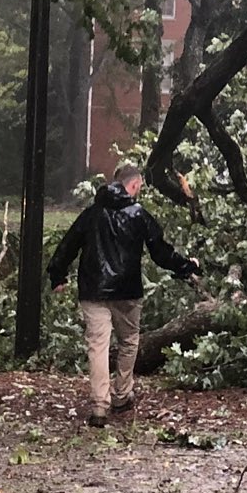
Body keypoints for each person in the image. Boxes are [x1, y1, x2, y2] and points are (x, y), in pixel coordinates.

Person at [47, 163, 200, 426]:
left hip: (93, 290)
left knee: (98, 346)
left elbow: (68, 244)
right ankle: (121, 394)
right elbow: (160, 251)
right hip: (127, 292)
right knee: (128, 341)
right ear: (134, 185)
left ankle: (99, 406)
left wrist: (57, 275)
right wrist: (187, 266)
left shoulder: (92, 213)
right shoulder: (138, 215)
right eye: (139, 187)